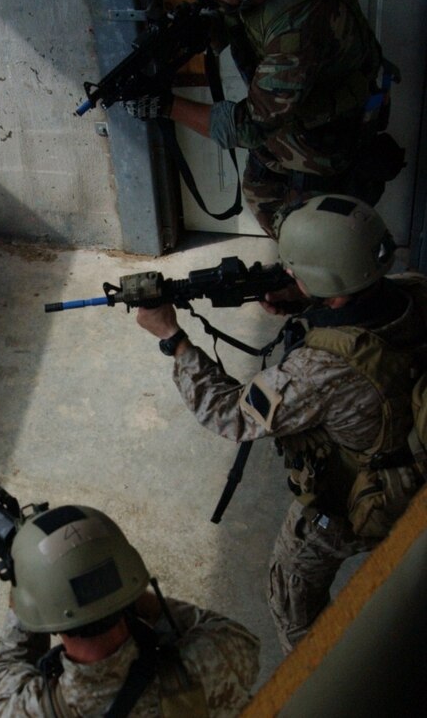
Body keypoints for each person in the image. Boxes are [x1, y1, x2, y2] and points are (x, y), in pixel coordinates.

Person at [135, 194, 427, 653]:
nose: (287, 273)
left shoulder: (318, 370)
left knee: (292, 602)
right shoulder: (414, 289)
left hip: (361, 500)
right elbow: (356, 314)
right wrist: (309, 302)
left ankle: (321, 676)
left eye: (293, 270)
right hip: (413, 461)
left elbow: (230, 415)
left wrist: (173, 339)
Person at [124, 0, 404, 237]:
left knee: (314, 243)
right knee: (262, 189)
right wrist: (200, 31)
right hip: (301, 116)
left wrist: (166, 106)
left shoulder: (298, 25)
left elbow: (250, 126)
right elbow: (250, 16)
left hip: (327, 143)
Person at [0, 503, 260, 716]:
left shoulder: (23, 710)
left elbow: (9, 667)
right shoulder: (213, 662)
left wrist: (24, 573)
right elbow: (238, 639)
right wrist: (129, 597)